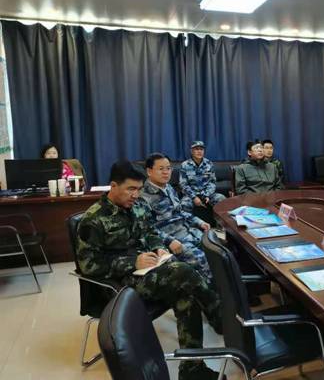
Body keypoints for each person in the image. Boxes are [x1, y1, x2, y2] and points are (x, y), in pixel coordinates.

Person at [76, 160, 223, 380]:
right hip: (119, 283)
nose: (136, 195)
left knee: (186, 294)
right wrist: (133, 262)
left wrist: (158, 248)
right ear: (113, 186)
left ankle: (192, 369)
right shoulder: (93, 220)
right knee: (183, 272)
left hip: (149, 269)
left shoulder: (138, 206)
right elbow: (88, 265)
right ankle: (220, 317)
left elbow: (150, 232)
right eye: (130, 189)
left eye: (138, 189)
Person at [140, 153, 213, 281]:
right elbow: (146, 228)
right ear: (149, 171)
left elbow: (180, 212)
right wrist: (169, 241)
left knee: (217, 249)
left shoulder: (169, 188)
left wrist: (198, 221)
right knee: (201, 259)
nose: (166, 172)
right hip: (173, 240)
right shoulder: (142, 196)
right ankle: (211, 290)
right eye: (161, 169)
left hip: (188, 231)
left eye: (168, 168)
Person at [179, 141, 226, 213]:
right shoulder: (185, 165)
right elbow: (183, 184)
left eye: (201, 149)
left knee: (221, 198)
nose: (199, 151)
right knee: (184, 204)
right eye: (196, 149)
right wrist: (194, 197)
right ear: (191, 151)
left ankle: (219, 220)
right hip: (191, 195)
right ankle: (189, 220)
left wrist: (207, 194)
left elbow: (212, 182)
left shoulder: (209, 164)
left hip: (207, 194)